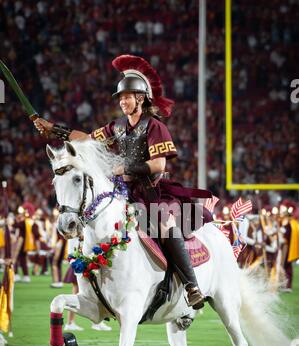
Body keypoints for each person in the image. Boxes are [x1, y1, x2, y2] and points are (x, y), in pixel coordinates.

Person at [34, 54, 211, 310]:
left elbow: (160, 165)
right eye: (121, 98)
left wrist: (125, 167)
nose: (123, 102)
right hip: (123, 193)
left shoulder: (155, 126)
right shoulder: (116, 126)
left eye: (127, 97)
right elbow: (86, 139)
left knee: (165, 224)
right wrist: (53, 130)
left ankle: (191, 286)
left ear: (141, 99)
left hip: (152, 193)